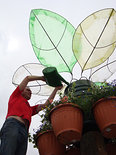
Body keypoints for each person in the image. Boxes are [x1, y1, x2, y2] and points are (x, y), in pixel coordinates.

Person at [0, 75, 63, 155]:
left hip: (24, 131)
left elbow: (47, 104)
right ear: (22, 91)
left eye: (31, 92)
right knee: (7, 151)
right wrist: (41, 78)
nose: (30, 92)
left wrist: (56, 89)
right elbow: (27, 78)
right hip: (13, 125)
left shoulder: (30, 109)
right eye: (28, 90)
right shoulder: (15, 96)